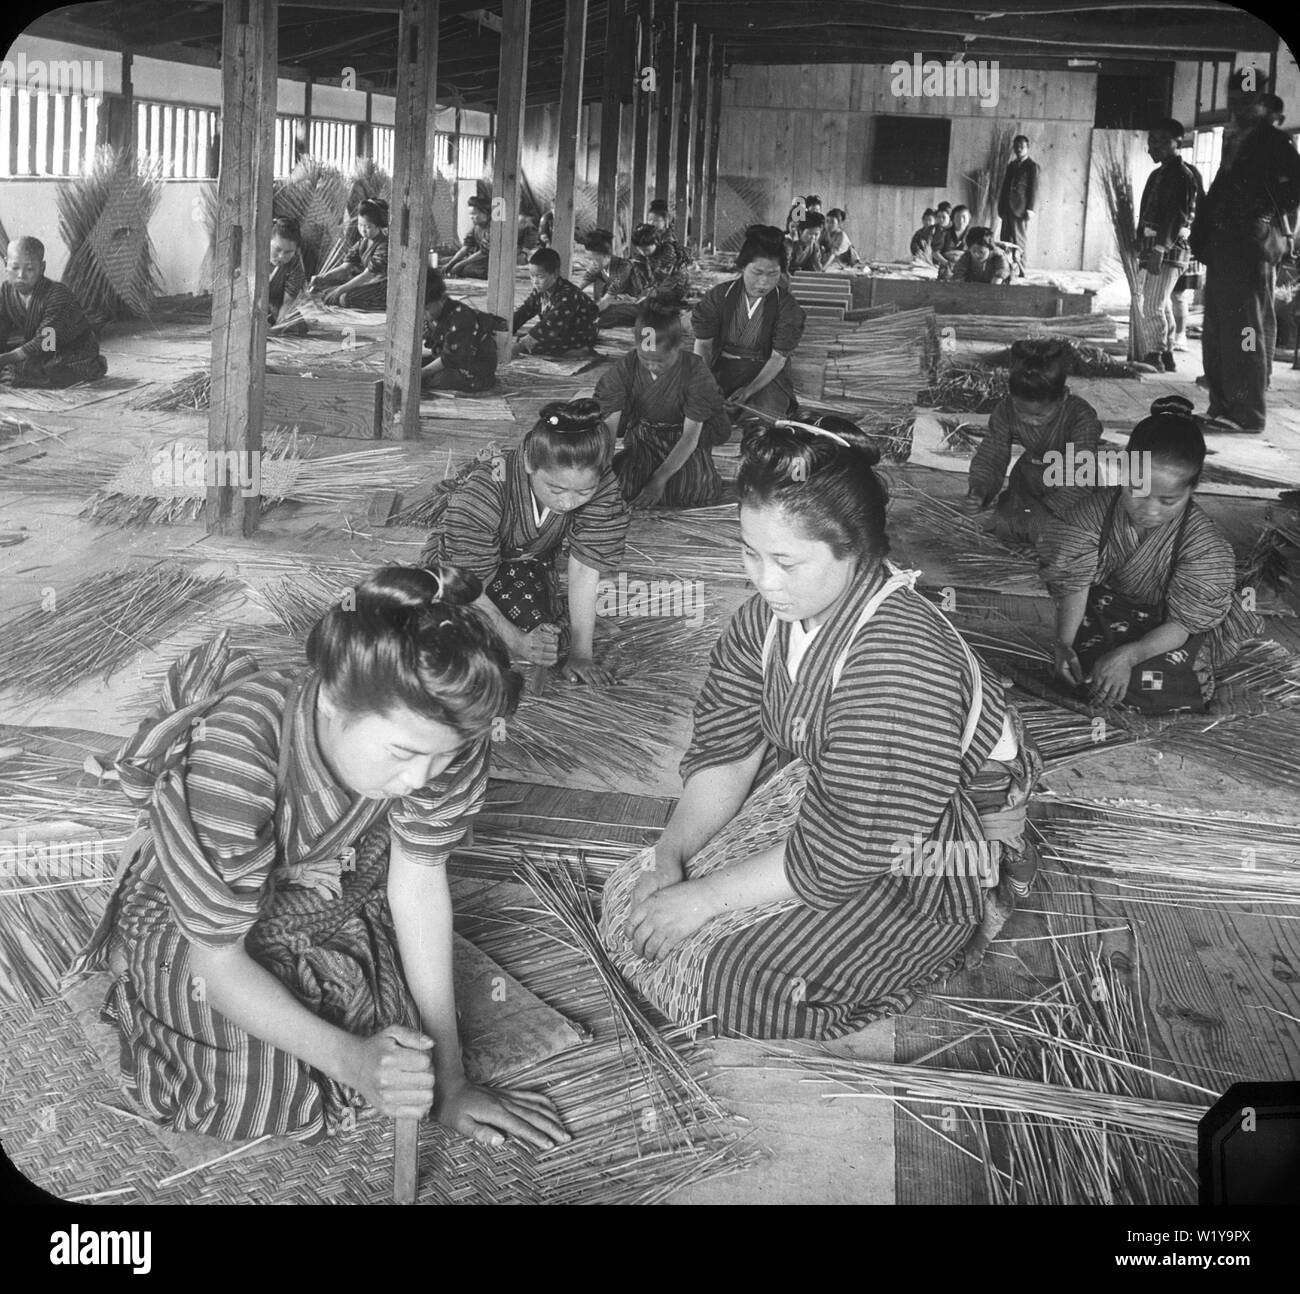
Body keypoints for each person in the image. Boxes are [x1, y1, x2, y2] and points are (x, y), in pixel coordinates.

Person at [81, 566, 570, 1148]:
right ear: (335, 703)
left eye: (443, 759)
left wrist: (451, 1077)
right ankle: (132, 964)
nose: (420, 780)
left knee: (406, 1041)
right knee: (261, 1087)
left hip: (333, 893)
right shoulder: (238, 754)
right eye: (401, 754)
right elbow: (220, 962)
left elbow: (416, 883)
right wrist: (354, 1063)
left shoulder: (443, 738)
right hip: (213, 921)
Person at [605, 421, 1041, 1037]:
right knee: (635, 891)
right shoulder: (764, 620)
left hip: (934, 838)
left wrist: (705, 899)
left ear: (856, 548)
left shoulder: (897, 661)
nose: (763, 580)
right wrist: (671, 854)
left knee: (739, 980)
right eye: (749, 552)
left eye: (785, 561)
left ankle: (967, 903)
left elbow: (851, 846)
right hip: (850, 801)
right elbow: (725, 752)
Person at [1040, 407, 1263, 714]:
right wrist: (1062, 644)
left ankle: (1194, 677)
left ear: (1191, 489)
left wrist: (1129, 656)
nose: (1150, 509)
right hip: (1105, 616)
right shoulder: (1092, 515)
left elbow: (1182, 624)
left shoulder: (1202, 546)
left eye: (1167, 501)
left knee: (1144, 684)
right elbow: (1073, 584)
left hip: (1166, 630)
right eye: (1136, 490)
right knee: (1082, 671)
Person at [424, 399, 630, 685]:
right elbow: (467, 586)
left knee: (541, 630)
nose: (569, 502)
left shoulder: (602, 484)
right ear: (529, 463)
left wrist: (581, 653)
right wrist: (519, 642)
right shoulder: (484, 491)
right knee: (452, 634)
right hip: (461, 574)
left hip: (526, 565)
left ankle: (563, 625)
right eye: (556, 488)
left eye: (584, 492)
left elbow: (585, 567)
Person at [1191, 74, 1300, 431]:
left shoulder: (1275, 142)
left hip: (1249, 249)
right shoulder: (1235, 140)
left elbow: (1292, 191)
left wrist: (1264, 215)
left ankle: (1248, 413)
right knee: (1219, 331)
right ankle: (1222, 406)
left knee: (1245, 332)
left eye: (1246, 100)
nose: (1238, 106)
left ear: (1263, 101)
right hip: (1224, 248)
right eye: (1234, 99)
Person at [963, 339, 1104, 546]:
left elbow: (1080, 472)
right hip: (1029, 480)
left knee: (1067, 534)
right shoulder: (1006, 409)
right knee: (1009, 523)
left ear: (1062, 397)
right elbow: (992, 454)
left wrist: (1048, 513)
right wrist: (979, 490)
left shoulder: (1080, 416)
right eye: (1021, 411)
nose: (1029, 420)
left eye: (1039, 414)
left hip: (1072, 485)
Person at [596, 302, 729, 509]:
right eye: (645, 358)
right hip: (644, 437)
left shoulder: (695, 370)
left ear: (678, 348)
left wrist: (659, 480)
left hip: (682, 439)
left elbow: (690, 437)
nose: (652, 366)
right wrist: (604, 472)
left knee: (691, 489)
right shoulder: (626, 366)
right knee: (625, 487)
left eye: (660, 360)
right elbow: (610, 431)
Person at [692, 224, 807, 432]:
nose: (763, 282)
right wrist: (706, 381)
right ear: (742, 266)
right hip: (720, 368)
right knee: (692, 410)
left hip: (765, 374)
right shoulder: (719, 296)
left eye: (773, 274)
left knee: (764, 421)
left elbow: (777, 359)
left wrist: (748, 390)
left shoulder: (787, 307)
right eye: (757, 272)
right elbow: (703, 346)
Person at [1133, 118, 1202, 373]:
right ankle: (1168, 353)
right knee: (1159, 303)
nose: (1155, 147)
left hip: (1169, 249)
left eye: (1162, 142)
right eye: (1152, 141)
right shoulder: (1159, 174)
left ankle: (1155, 355)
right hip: (1156, 246)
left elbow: (1178, 216)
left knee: (1152, 304)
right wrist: (1140, 239)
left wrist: (1160, 249)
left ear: (1178, 143)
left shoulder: (1182, 175)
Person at [0, 236, 108, 388]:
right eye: (15, 267)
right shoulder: (6, 290)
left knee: (24, 374)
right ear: (5, 264)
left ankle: (93, 366)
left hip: (70, 352)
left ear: (42, 267)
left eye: (30, 269)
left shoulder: (57, 294)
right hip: (39, 352)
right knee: (12, 370)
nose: (21, 275)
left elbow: (47, 342)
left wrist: (6, 358)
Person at [511, 247, 599, 358]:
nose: (535, 281)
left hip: (580, 335)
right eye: (532, 276)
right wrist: (506, 330)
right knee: (525, 339)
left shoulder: (568, 295)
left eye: (540, 276)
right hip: (559, 331)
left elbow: (549, 324)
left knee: (532, 345)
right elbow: (525, 311)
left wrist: (520, 346)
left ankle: (581, 350)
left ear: (555, 274)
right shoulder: (540, 291)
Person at [420, 270, 499, 393]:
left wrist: (422, 373)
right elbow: (436, 346)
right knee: (417, 364)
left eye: (426, 309)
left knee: (440, 379)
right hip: (452, 360)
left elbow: (450, 358)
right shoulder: (435, 315)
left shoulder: (461, 317)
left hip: (474, 368)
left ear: (442, 299)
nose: (423, 315)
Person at [310, 198, 389, 309]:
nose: (363, 230)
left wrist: (339, 290)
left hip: (380, 285)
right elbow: (345, 268)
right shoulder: (362, 242)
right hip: (367, 281)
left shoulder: (384, 244)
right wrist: (322, 277)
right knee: (323, 289)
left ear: (378, 225)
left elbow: (368, 275)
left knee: (345, 298)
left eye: (368, 226)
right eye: (360, 225)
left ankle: (384, 304)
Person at [578, 228, 643, 328]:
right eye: (589, 259)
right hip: (616, 302)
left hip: (636, 303)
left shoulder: (624, 267)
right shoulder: (597, 266)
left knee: (601, 318)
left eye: (593, 259)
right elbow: (578, 288)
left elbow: (607, 299)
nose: (591, 263)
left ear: (606, 255)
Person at [997, 136, 1039, 271]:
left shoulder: (1032, 166)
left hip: (1020, 209)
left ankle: (1021, 270)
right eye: (1016, 146)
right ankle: (1006, 269)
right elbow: (1005, 187)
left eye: (1021, 146)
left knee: (1018, 240)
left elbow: (1034, 189)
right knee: (1005, 240)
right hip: (1007, 208)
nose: (1018, 149)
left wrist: (1030, 208)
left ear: (1027, 148)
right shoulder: (1011, 165)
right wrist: (1001, 206)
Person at [629, 222, 689, 306]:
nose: (643, 253)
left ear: (656, 242)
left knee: (658, 301)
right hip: (658, 282)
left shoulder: (668, 251)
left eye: (646, 250)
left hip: (675, 283)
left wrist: (647, 291)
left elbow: (661, 276)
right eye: (640, 250)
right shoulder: (644, 253)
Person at [267, 217, 309, 337]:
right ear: (268, 241)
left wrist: (275, 331)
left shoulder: (294, 266)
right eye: (277, 250)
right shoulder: (253, 256)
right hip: (249, 305)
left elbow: (288, 302)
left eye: (288, 252)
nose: (281, 256)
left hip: (277, 305)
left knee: (296, 328)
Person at [444, 197, 491, 279]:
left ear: (485, 213)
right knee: (447, 262)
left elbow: (484, 252)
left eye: (474, 214)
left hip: (489, 262)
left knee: (466, 269)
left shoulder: (492, 228)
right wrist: (451, 263)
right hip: (477, 260)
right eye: (470, 214)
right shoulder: (476, 227)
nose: (471, 217)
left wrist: (461, 264)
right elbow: (466, 247)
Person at [647, 198, 692, 271]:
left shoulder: (668, 240)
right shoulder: (652, 235)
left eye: (656, 220)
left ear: (665, 221)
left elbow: (665, 264)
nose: (651, 223)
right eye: (649, 220)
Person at [935, 205, 972, 275]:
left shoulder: (972, 234)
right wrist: (946, 263)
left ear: (969, 219)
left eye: (964, 217)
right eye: (957, 217)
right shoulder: (944, 233)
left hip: (966, 267)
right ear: (952, 218)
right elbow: (935, 252)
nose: (961, 220)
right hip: (945, 265)